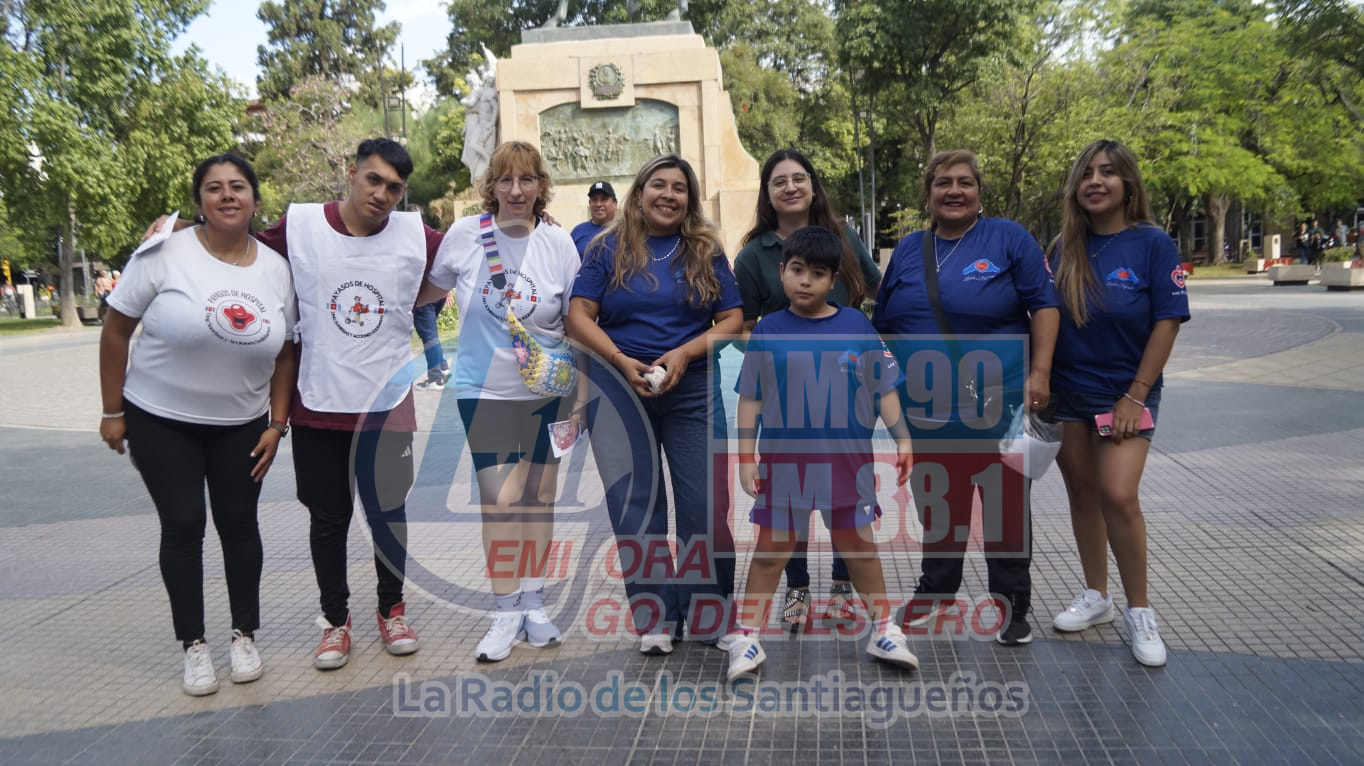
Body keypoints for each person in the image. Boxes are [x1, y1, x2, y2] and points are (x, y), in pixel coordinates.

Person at [99, 153, 297, 696]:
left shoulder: (276, 269)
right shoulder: (165, 252)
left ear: (255, 199)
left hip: (242, 423)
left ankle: (243, 635)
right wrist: (112, 411)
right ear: (199, 202)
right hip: (160, 419)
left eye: (238, 187)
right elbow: (116, 330)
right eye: (214, 188)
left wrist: (277, 424)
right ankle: (194, 645)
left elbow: (285, 352)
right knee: (184, 524)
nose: (227, 196)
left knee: (239, 525)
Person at [251, 138, 443, 670]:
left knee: (389, 517)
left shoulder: (414, 235)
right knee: (328, 520)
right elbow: (240, 256)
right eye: (374, 180)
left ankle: (392, 610)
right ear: (353, 173)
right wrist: (181, 238)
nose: (382, 194)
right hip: (319, 403)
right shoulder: (301, 227)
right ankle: (335, 621)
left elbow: (467, 257)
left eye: (394, 188)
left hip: (387, 404)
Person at [872, 149, 1059, 647]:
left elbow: (1044, 304)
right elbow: (884, 325)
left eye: (964, 182)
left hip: (998, 401)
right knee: (938, 502)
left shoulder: (1009, 239)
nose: (954, 191)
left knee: (1003, 505)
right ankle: (937, 592)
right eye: (942, 183)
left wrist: (1040, 372)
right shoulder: (909, 250)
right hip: (926, 406)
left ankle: (1012, 600)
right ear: (928, 195)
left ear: (979, 191)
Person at [566, 154, 743, 654]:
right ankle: (656, 619)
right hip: (620, 387)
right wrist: (621, 360)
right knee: (634, 507)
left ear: (689, 198)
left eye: (679, 188)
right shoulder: (606, 248)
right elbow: (578, 317)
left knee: (705, 507)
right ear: (639, 192)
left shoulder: (705, 250)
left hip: (691, 389)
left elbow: (732, 318)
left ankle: (708, 615)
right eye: (658, 185)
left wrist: (687, 352)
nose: (668, 195)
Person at [725, 226, 917, 681]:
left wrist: (903, 437)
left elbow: (883, 388)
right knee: (772, 553)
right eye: (796, 271)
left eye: (817, 273)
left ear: (834, 280)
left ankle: (884, 630)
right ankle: (747, 637)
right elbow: (749, 399)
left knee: (860, 551)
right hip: (785, 466)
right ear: (782, 272)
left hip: (847, 464)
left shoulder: (856, 325)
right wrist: (746, 457)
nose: (805, 281)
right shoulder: (769, 330)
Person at [420, 141, 582, 662]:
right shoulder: (466, 235)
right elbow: (426, 291)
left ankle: (533, 603)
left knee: (539, 498)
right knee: (500, 501)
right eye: (506, 180)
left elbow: (577, 322)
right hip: (483, 388)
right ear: (491, 186)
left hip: (549, 392)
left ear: (541, 187)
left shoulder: (558, 243)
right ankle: (504, 609)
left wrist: (580, 399)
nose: (516, 190)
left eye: (527, 180)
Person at [1046, 139, 1189, 667]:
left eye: (1107, 172)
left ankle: (1139, 609)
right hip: (1067, 393)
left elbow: (1167, 322)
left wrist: (1135, 395)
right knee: (1082, 494)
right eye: (1086, 173)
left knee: (1118, 494)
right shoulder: (1064, 247)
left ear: (1129, 183)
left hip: (1126, 393)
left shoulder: (1153, 243)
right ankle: (1096, 596)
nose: (1095, 181)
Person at [734, 148, 883, 628]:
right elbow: (745, 323)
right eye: (780, 181)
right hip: (788, 395)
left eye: (800, 178)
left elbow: (882, 289)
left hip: (847, 391)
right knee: (788, 490)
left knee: (845, 492)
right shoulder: (755, 254)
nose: (791, 187)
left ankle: (843, 583)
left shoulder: (843, 238)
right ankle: (795, 585)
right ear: (768, 193)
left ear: (814, 186)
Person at [571, 181, 618, 257]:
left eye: (604, 199)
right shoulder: (578, 231)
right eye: (594, 200)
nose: (598, 204)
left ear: (615, 203)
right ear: (589, 204)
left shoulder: (624, 231)